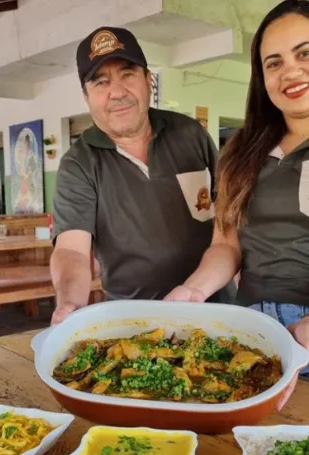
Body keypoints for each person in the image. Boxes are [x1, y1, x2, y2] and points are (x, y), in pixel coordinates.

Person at [165, 0, 309, 410]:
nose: (291, 72)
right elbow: (226, 244)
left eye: (305, 53)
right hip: (250, 331)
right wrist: (193, 291)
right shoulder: (241, 152)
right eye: (274, 62)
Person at [50, 26, 234, 324]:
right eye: (101, 82)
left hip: (217, 305)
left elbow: (228, 217)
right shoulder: (79, 163)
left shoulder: (190, 133)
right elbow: (71, 249)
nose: (117, 92)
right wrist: (70, 303)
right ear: (86, 97)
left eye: (128, 74)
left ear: (149, 80)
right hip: (136, 321)